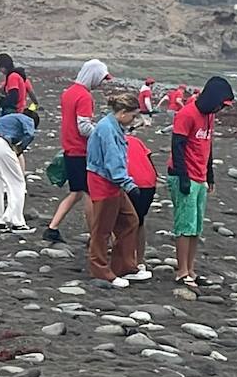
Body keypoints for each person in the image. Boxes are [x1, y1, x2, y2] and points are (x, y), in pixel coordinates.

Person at [169, 76, 235, 286]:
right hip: (184, 174)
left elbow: (207, 145)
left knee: (196, 226)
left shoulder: (210, 116)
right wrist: (183, 177)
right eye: (220, 105)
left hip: (200, 175)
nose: (220, 109)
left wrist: (210, 174)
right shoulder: (187, 114)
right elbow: (177, 146)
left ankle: (191, 269)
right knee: (185, 224)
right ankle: (181, 271)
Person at [44, 59, 110, 243]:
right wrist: (103, 134)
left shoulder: (69, 93)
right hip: (81, 151)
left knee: (77, 192)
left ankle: (52, 228)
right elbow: (83, 127)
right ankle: (95, 236)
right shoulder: (85, 97)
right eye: (101, 79)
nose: (101, 84)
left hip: (70, 148)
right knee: (88, 193)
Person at [85, 93, 148, 287]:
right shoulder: (107, 129)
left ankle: (124, 266)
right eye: (133, 116)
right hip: (104, 183)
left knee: (130, 221)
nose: (134, 120)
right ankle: (101, 270)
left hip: (112, 182)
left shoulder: (113, 126)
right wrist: (129, 184)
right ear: (122, 113)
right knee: (102, 230)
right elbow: (113, 161)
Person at [0, 110, 37, 234]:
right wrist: (20, 148)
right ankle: (16, 221)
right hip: (0, 144)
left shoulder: (8, 117)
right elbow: (30, 134)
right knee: (17, 183)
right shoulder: (28, 119)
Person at [126, 129, 159, 273]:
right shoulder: (136, 141)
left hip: (131, 183)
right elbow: (148, 158)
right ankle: (139, 260)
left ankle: (126, 261)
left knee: (122, 223)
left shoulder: (111, 141)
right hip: (148, 183)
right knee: (139, 221)